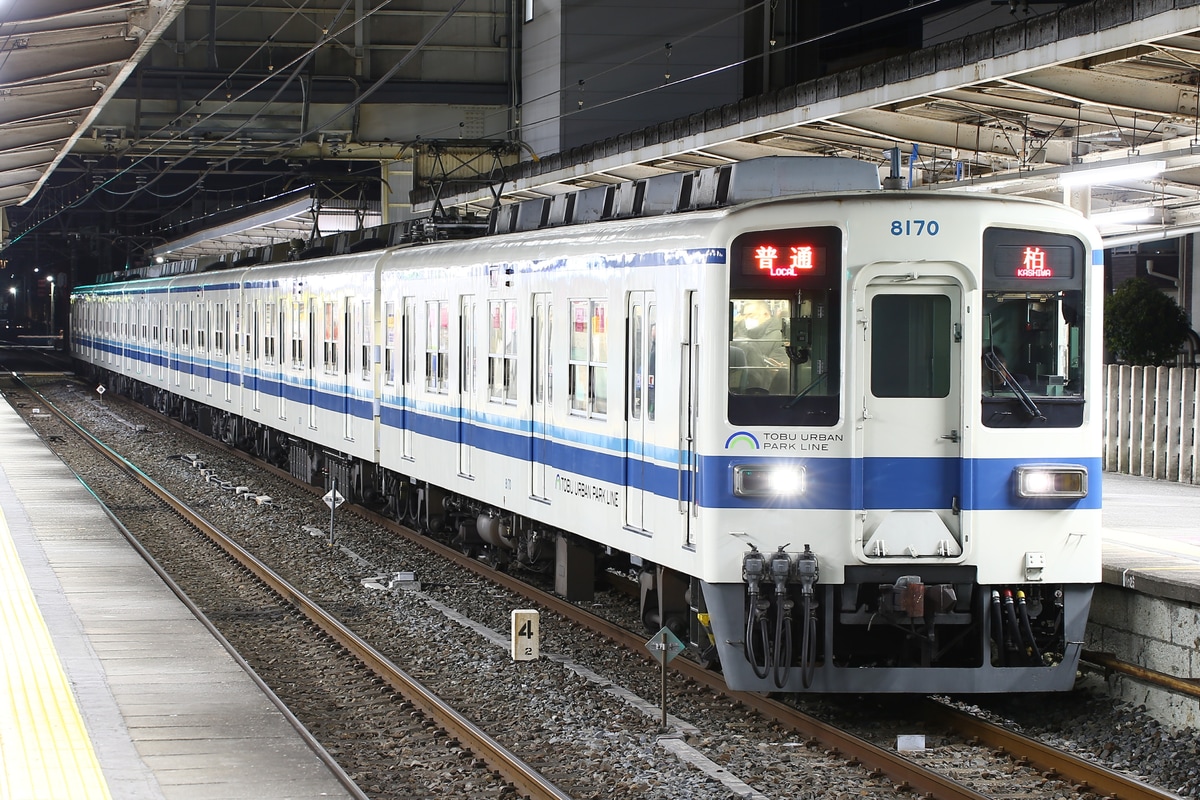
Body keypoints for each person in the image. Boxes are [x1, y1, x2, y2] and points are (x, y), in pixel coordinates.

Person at [732, 300, 788, 391]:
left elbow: (777, 370)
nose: (746, 319)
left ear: (766, 315)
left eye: (750, 315)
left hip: (765, 391)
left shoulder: (779, 337)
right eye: (744, 316)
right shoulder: (741, 333)